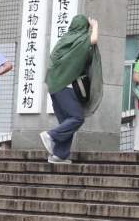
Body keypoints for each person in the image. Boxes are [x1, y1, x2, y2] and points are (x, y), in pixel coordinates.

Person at [41, 16, 102, 164]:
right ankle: (51, 135)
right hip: (66, 86)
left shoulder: (64, 40)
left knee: (66, 123)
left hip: (54, 86)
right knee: (77, 118)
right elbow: (93, 40)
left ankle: (59, 155)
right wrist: (95, 25)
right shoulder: (79, 40)